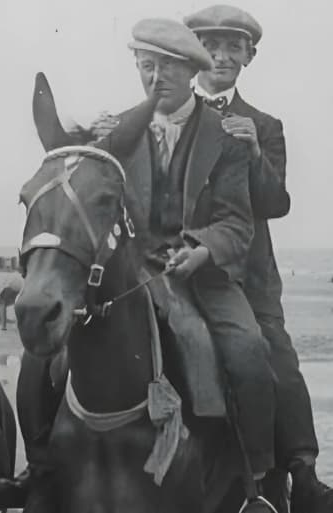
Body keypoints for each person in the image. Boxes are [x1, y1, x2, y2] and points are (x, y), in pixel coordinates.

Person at [0, 17, 277, 508]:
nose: (156, 78)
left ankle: (255, 483)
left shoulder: (229, 137)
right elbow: (79, 179)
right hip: (131, 270)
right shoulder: (117, 131)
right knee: (41, 356)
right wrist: (87, 139)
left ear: (192, 70)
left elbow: (238, 224)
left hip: (202, 273)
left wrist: (203, 250)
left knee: (249, 350)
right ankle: (40, 465)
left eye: (168, 69)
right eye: (147, 66)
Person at [184, 5, 333, 512]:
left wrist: (253, 154)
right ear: (192, 52)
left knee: (278, 358)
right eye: (210, 44)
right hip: (184, 269)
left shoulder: (265, 125)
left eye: (233, 47)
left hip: (250, 275)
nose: (221, 56)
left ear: (250, 55)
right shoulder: (172, 115)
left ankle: (300, 472)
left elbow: (276, 204)